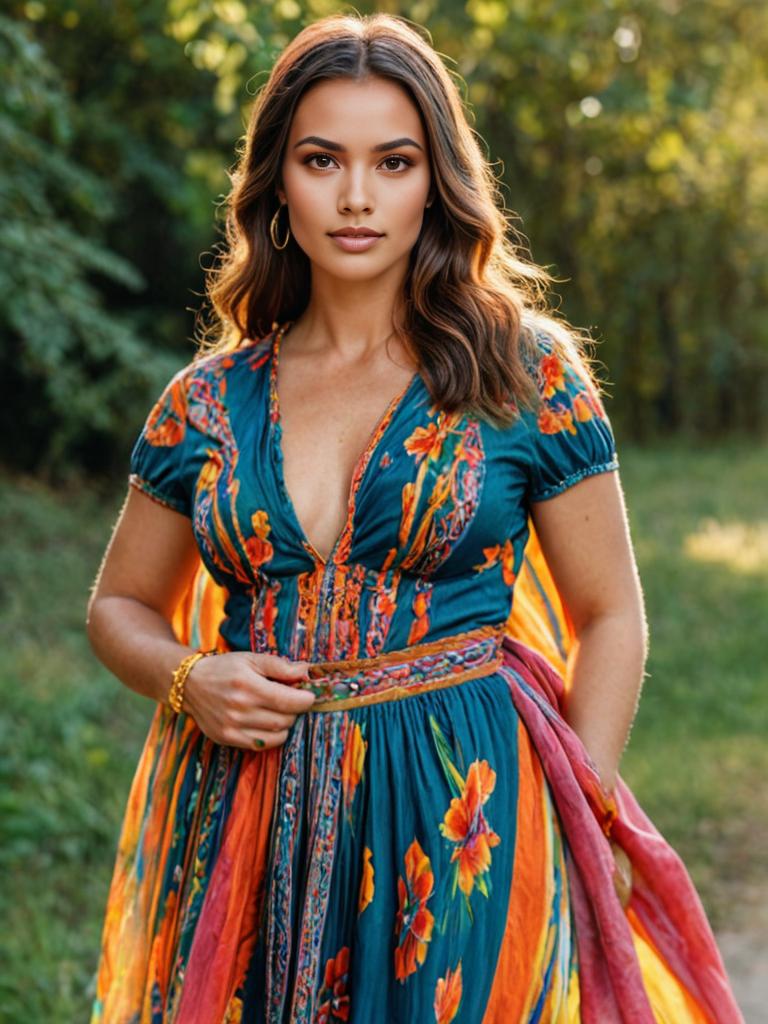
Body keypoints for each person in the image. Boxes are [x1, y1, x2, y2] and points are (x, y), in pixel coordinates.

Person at [86, 12, 742, 1023]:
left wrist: (582, 810)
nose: (356, 196)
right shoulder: (206, 403)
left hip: (464, 813)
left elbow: (610, 612)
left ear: (435, 179)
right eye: (321, 160)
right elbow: (121, 603)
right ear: (277, 182)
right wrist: (187, 679)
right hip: (244, 823)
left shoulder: (524, 372)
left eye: (392, 162)